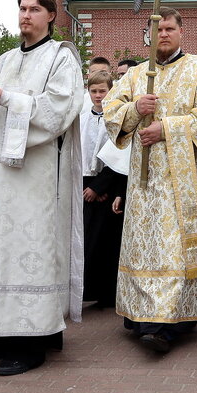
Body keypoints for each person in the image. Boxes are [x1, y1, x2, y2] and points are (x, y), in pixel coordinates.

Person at [0, 0, 85, 376]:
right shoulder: (4, 59)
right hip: (1, 176)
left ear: (51, 15)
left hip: (36, 176)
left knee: (32, 252)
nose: (25, 15)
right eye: (21, 8)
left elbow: (58, 110)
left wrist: (4, 99)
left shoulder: (61, 58)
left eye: (34, 9)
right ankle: (5, 337)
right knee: (2, 252)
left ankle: (32, 344)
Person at [103, 7, 197, 354]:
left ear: (180, 32)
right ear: (148, 36)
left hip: (183, 182)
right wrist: (135, 109)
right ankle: (143, 318)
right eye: (157, 30)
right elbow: (111, 111)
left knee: (175, 248)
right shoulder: (136, 75)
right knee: (148, 247)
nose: (164, 35)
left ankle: (169, 324)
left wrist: (167, 129)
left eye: (169, 29)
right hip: (144, 183)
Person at [81, 71, 122, 307]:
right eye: (94, 91)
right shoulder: (83, 118)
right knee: (89, 240)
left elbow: (117, 154)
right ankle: (91, 290)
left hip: (107, 186)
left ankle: (108, 292)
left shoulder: (115, 119)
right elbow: (78, 152)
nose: (98, 96)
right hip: (86, 186)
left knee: (107, 241)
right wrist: (87, 187)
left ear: (110, 91)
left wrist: (100, 187)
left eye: (102, 91)